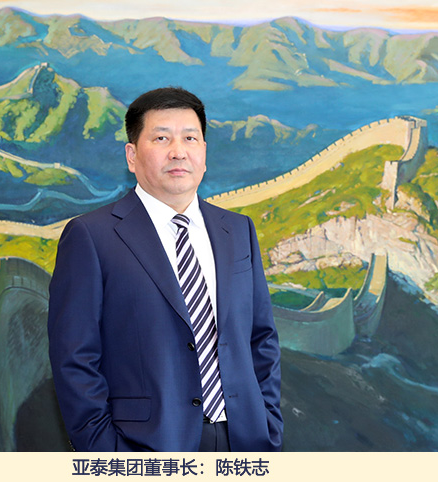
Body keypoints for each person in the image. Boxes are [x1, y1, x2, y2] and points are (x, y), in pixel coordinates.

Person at [48, 87, 283, 452]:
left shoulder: (237, 230)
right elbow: (74, 358)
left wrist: (267, 425)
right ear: (131, 155)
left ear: (204, 153)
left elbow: (261, 338)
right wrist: (108, 453)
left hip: (244, 440)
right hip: (146, 446)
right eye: (161, 138)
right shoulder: (91, 237)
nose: (178, 151)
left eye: (190, 138)